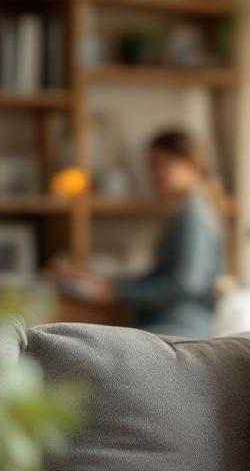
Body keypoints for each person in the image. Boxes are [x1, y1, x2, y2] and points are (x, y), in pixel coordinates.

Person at [53, 129, 225, 337]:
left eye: (161, 165)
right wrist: (108, 283)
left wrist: (116, 292)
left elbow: (184, 284)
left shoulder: (192, 214)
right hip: (166, 321)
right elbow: (162, 275)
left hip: (180, 325)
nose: (153, 175)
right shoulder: (186, 211)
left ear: (190, 165)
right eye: (151, 166)